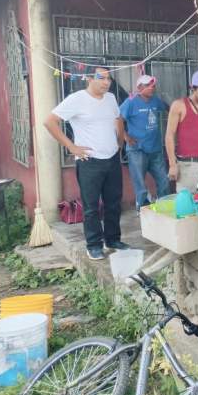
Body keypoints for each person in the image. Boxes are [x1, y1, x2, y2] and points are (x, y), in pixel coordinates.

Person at [45, 67, 129, 260]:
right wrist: (72, 147)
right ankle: (94, 245)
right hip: (89, 161)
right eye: (101, 78)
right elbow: (49, 121)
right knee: (91, 207)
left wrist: (120, 142)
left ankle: (113, 239)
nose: (106, 82)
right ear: (89, 79)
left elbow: (118, 119)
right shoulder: (77, 99)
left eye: (109, 78)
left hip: (112, 159)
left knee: (113, 203)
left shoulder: (111, 99)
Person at [119, 74, 170, 210]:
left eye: (153, 86)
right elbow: (117, 120)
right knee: (140, 184)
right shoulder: (130, 102)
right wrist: (126, 137)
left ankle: (164, 207)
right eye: (148, 86)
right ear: (140, 87)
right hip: (137, 150)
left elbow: (168, 108)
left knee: (163, 181)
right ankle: (142, 209)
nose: (152, 88)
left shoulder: (155, 100)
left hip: (155, 149)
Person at [166, 70, 198, 191]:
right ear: (193, 88)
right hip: (188, 166)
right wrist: (172, 165)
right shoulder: (179, 105)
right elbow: (169, 135)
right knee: (187, 205)